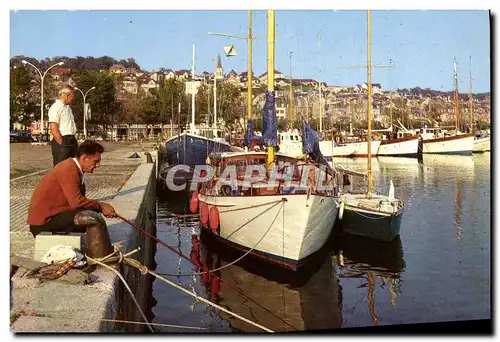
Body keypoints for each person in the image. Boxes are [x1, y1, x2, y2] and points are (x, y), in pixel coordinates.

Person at [27, 140, 117, 237]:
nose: (98, 165)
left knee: (90, 214)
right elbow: (77, 202)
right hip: (42, 224)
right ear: (84, 158)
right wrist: (100, 205)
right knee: (90, 216)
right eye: (96, 161)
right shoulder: (68, 169)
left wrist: (98, 207)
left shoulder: (74, 168)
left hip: (52, 217)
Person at [48, 85, 78, 166]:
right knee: (60, 169)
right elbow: (54, 130)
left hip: (72, 140)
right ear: (66, 95)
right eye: (72, 96)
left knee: (72, 167)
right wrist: (63, 145)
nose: (73, 98)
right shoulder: (55, 108)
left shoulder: (68, 108)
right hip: (63, 141)